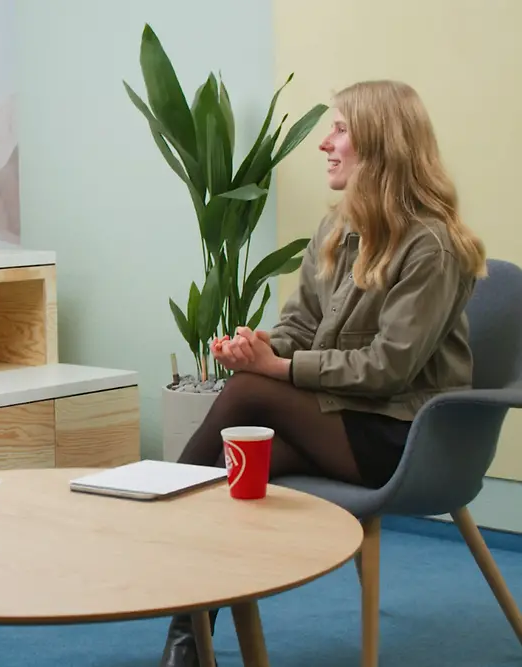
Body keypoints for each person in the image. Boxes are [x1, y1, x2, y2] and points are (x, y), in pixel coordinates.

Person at [157, 79, 487, 667]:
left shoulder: (431, 247)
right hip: (338, 423)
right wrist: (257, 345)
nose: (324, 143)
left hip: (404, 436)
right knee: (241, 468)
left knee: (251, 394)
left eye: (339, 129)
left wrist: (274, 368)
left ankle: (157, 507)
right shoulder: (339, 229)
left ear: (380, 144)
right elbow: (299, 327)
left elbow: (388, 369)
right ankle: (188, 638)